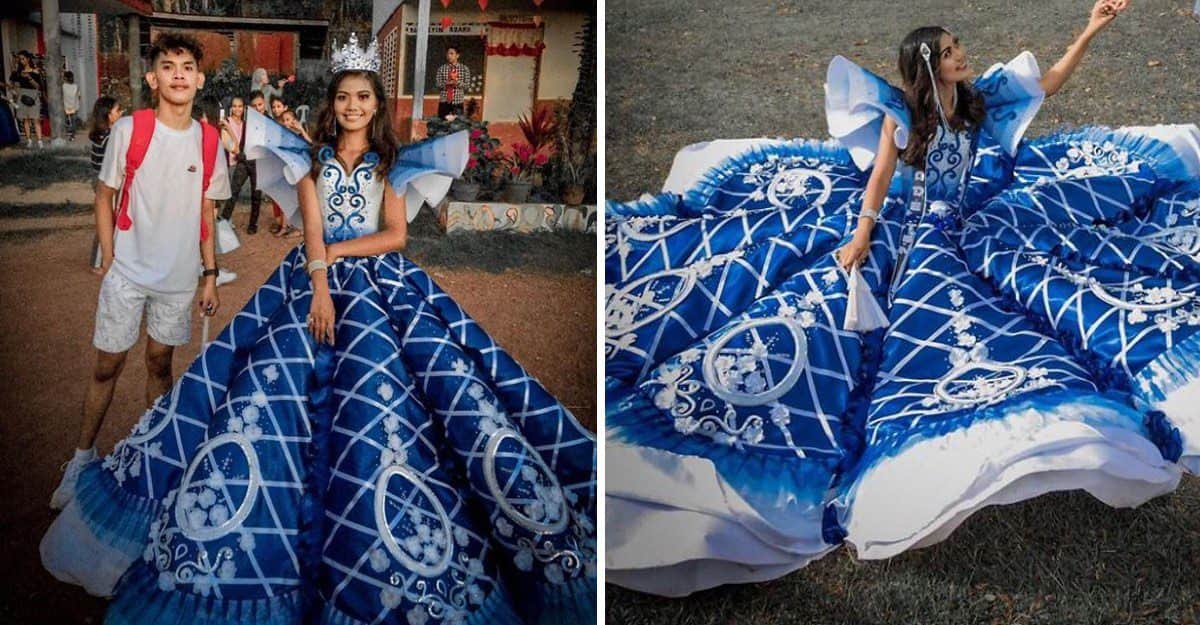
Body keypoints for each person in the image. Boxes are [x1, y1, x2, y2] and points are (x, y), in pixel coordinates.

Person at [605, 0, 1200, 597]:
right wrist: (862, 234)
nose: (962, 54)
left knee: (1071, 268)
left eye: (957, 46)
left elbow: (1048, 84)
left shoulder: (976, 100)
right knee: (821, 309)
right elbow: (882, 179)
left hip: (970, 221)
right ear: (927, 64)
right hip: (906, 229)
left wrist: (1090, 30)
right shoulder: (903, 118)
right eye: (949, 51)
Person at [40, 32, 597, 625]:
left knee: (428, 395)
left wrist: (338, 254)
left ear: (376, 105)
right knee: (258, 388)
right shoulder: (308, 160)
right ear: (331, 105)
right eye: (343, 98)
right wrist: (322, 282)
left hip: (381, 286)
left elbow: (397, 237)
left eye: (363, 97)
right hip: (311, 283)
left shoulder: (394, 163)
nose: (353, 107)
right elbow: (310, 230)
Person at [46, 32, 231, 511]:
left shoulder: (210, 142)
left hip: (177, 278)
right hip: (127, 273)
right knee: (107, 364)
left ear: (199, 78)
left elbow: (206, 215)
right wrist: (110, 260)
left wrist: (210, 274)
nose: (178, 74)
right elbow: (104, 197)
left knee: (159, 364)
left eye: (187, 66)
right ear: (153, 78)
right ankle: (81, 458)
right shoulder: (130, 129)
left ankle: (157, 458)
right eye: (168, 66)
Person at [194, 94, 239, 287]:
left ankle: (202, 266)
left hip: (207, 188)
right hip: (209, 189)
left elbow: (235, 148)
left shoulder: (211, 132)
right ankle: (211, 271)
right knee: (207, 231)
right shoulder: (202, 132)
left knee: (202, 231)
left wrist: (227, 128)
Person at [220, 91, 267, 233]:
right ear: (250, 108)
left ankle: (253, 224)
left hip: (258, 162)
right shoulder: (249, 122)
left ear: (264, 103)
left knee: (256, 194)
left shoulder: (268, 122)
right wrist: (241, 154)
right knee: (233, 190)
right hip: (244, 160)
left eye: (260, 104)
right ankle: (223, 221)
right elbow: (241, 142)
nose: (258, 108)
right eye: (254, 105)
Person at [87, 95, 122, 274]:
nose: (121, 113)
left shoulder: (97, 135)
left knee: (104, 220)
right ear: (109, 115)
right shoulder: (110, 137)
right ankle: (105, 262)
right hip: (108, 183)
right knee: (109, 221)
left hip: (98, 180)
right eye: (118, 111)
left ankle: (99, 261)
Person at [10, 51, 43, 148]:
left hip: (33, 95)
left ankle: (40, 141)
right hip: (22, 95)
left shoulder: (35, 71)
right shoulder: (17, 72)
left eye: (23, 58)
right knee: (26, 119)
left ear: (28, 59)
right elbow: (12, 83)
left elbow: (37, 86)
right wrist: (15, 91)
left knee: (36, 119)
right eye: (20, 59)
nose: (21, 61)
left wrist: (28, 77)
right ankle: (29, 141)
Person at [435, 46, 471, 119]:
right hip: (444, 102)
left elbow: (467, 86)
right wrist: (446, 83)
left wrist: (457, 83)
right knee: (442, 124)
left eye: (452, 54)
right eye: (448, 54)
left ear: (457, 55)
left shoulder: (464, 69)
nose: (449, 56)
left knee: (457, 125)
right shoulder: (441, 69)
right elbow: (437, 85)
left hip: (457, 102)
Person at [62, 70, 80, 141]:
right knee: (73, 122)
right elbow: (79, 96)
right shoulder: (76, 86)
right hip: (74, 106)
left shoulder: (63, 86)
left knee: (66, 121)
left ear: (65, 78)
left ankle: (66, 134)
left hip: (65, 106)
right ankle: (72, 136)